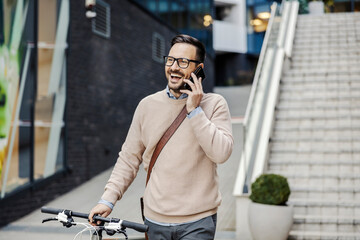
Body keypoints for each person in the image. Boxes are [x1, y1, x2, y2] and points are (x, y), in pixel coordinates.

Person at [89, 34, 233, 240]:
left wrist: (194, 111)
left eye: (183, 62)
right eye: (171, 60)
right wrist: (107, 200)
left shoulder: (214, 104)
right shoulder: (146, 106)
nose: (174, 67)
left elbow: (221, 153)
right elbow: (129, 158)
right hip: (154, 221)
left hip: (198, 222)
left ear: (199, 68)